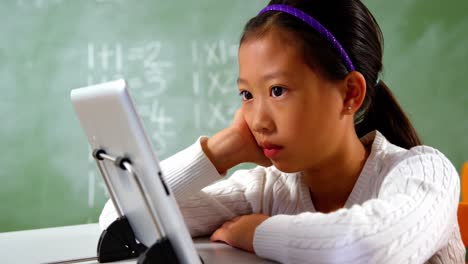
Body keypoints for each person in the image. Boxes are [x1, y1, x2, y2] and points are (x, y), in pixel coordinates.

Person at [100, 0, 466, 263]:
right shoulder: (267, 188)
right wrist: (220, 151)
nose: (258, 120)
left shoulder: (423, 172)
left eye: (278, 91)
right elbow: (124, 217)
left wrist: (256, 233)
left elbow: (370, 247)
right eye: (247, 94)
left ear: (350, 94)